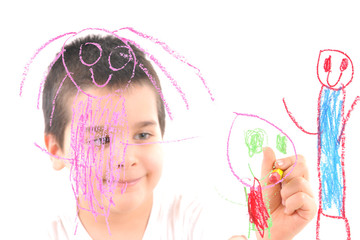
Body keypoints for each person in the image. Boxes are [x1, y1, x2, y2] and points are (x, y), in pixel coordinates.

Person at [43, 34, 316, 239]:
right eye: (101, 140)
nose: (125, 158)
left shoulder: (191, 219)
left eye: (142, 134)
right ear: (56, 150)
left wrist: (270, 235)